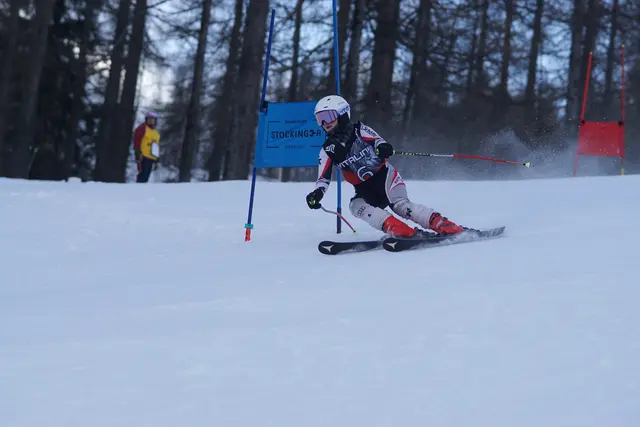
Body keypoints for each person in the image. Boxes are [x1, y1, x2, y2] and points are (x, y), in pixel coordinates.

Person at [305, 95, 465, 237]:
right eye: (320, 119)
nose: (324, 123)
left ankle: (444, 225)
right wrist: (317, 193)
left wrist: (383, 148)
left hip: (385, 178)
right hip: (364, 190)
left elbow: (378, 141)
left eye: (328, 116)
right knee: (356, 206)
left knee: (401, 207)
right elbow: (323, 179)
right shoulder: (327, 150)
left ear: (342, 114)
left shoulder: (359, 131)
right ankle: (399, 229)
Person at [133, 111, 160, 183]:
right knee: (142, 174)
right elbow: (136, 141)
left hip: (151, 157)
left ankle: (143, 188)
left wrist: (157, 161)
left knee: (147, 175)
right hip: (143, 156)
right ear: (146, 119)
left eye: (153, 119)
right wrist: (138, 154)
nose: (151, 120)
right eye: (149, 119)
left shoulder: (156, 133)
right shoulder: (142, 128)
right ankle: (137, 187)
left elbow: (156, 147)